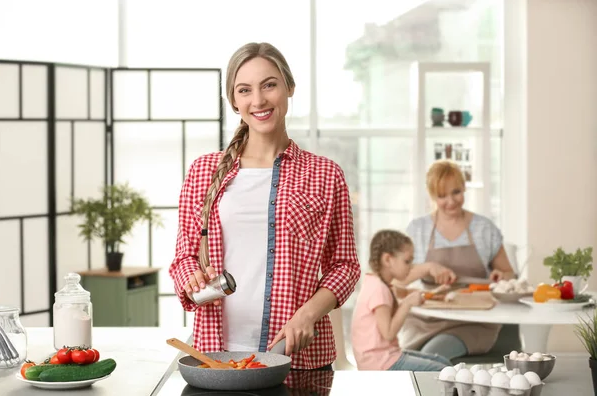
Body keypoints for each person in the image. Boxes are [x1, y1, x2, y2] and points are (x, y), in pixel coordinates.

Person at [168, 42, 361, 371]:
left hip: (296, 359)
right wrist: (193, 279)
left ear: (289, 87)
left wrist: (308, 314)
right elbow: (183, 258)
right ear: (234, 102)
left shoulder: (325, 174)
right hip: (217, 359)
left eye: (269, 85)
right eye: (245, 90)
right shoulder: (203, 171)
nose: (258, 100)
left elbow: (345, 266)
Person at [399, 159, 515, 360]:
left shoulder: (484, 228)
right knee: (402, 361)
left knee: (429, 357)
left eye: (456, 192)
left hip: (475, 320)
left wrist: (500, 275)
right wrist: (428, 267)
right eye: (442, 196)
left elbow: (509, 273)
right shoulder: (418, 230)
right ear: (432, 196)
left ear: (464, 188)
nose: (451, 201)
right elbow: (397, 282)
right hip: (427, 318)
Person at [351, 229, 451, 371]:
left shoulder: (378, 283)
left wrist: (430, 293)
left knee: (443, 362)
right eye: (407, 261)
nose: (411, 267)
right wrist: (407, 304)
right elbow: (389, 333)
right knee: (442, 370)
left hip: (383, 356)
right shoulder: (379, 290)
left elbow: (404, 292)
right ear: (387, 260)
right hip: (379, 363)